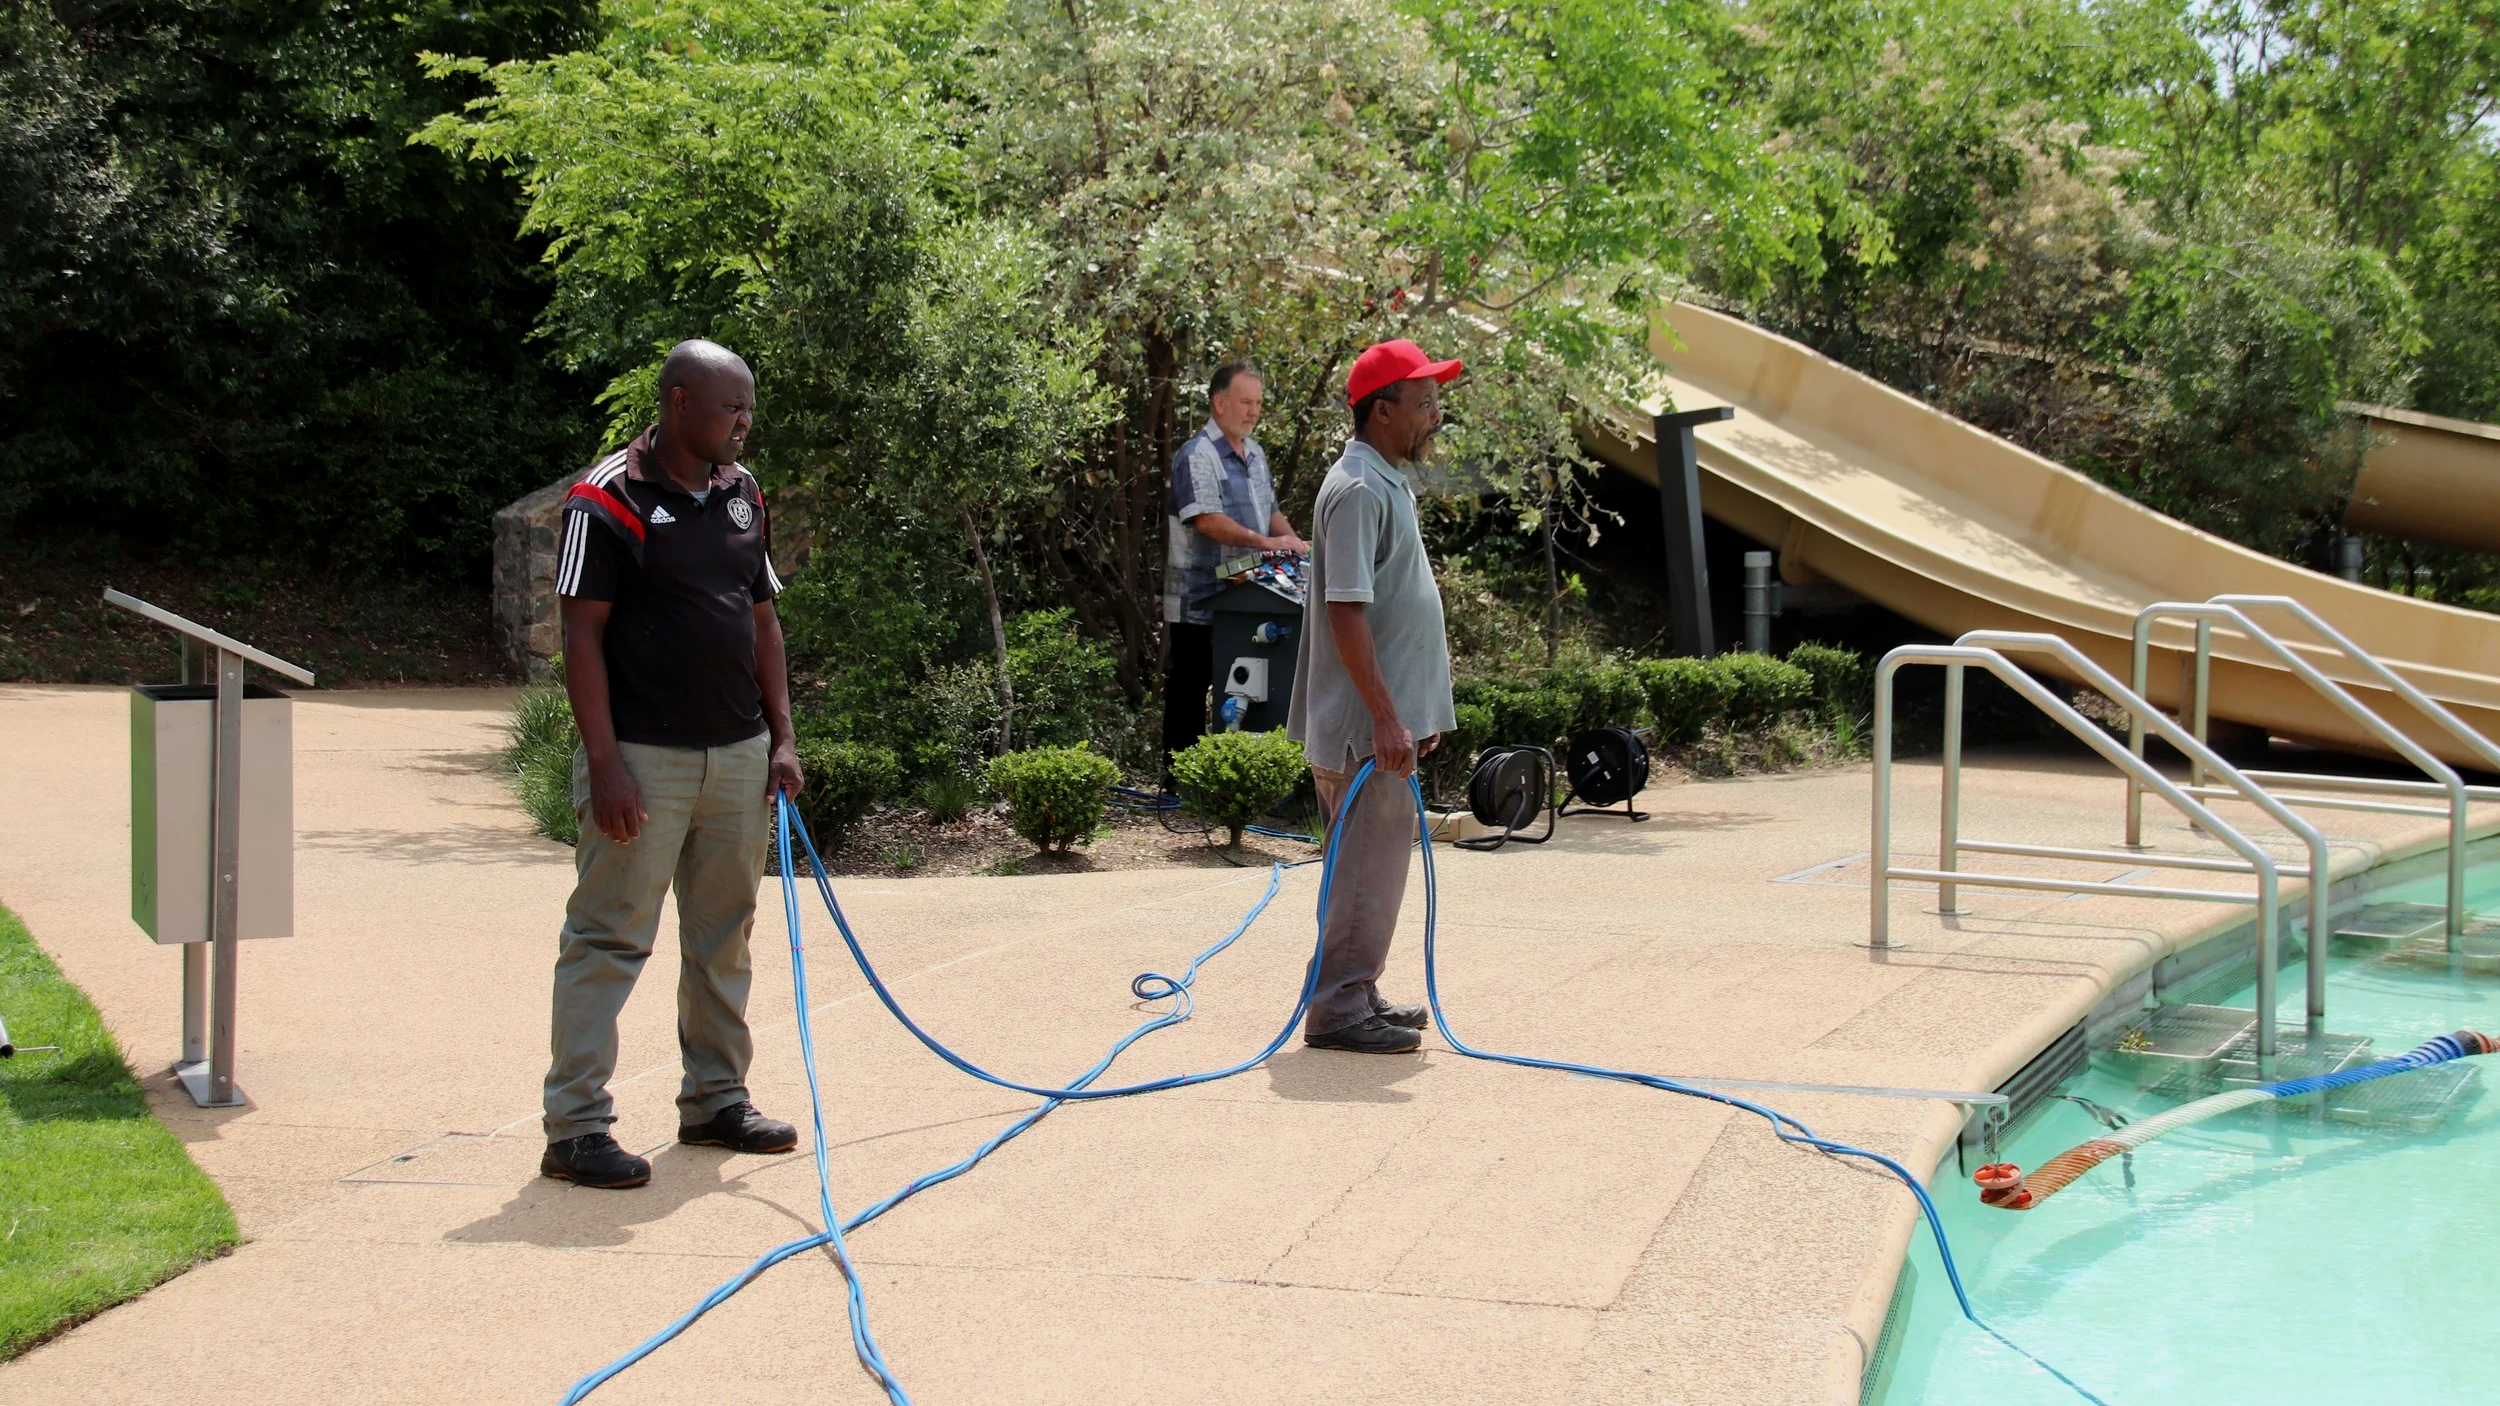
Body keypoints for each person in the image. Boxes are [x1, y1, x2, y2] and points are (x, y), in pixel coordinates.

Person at [539, 338, 806, 1189]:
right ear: (680, 401)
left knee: (724, 935)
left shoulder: (740, 495)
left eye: (750, 409)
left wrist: (781, 738)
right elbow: (579, 635)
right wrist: (605, 762)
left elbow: (762, 620)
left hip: (735, 754)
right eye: (733, 408)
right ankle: (575, 1126)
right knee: (610, 936)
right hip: (644, 759)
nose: (745, 425)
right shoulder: (605, 500)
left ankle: (715, 1101)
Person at [1285, 339, 1462, 1054]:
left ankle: (1355, 989)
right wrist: (1388, 717)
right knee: (1362, 868)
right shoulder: (1358, 489)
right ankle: (1338, 1008)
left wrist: (1413, 715)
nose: (1436, 416)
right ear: (1382, 412)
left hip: (1381, 723)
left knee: (1375, 864)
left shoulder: (1383, 479)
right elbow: (1346, 610)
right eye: (1424, 404)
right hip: (1364, 728)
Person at [1161, 363, 1309, 780]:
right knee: (1190, 686)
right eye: (1246, 402)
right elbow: (1206, 519)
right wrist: (1268, 543)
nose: (1253, 411)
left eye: (1258, 403)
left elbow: (1271, 514)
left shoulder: (1256, 454)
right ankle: (1178, 784)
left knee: (1250, 686)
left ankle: (1237, 780)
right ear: (1219, 402)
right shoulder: (1196, 455)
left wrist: (1294, 545)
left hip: (1248, 595)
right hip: (1200, 596)